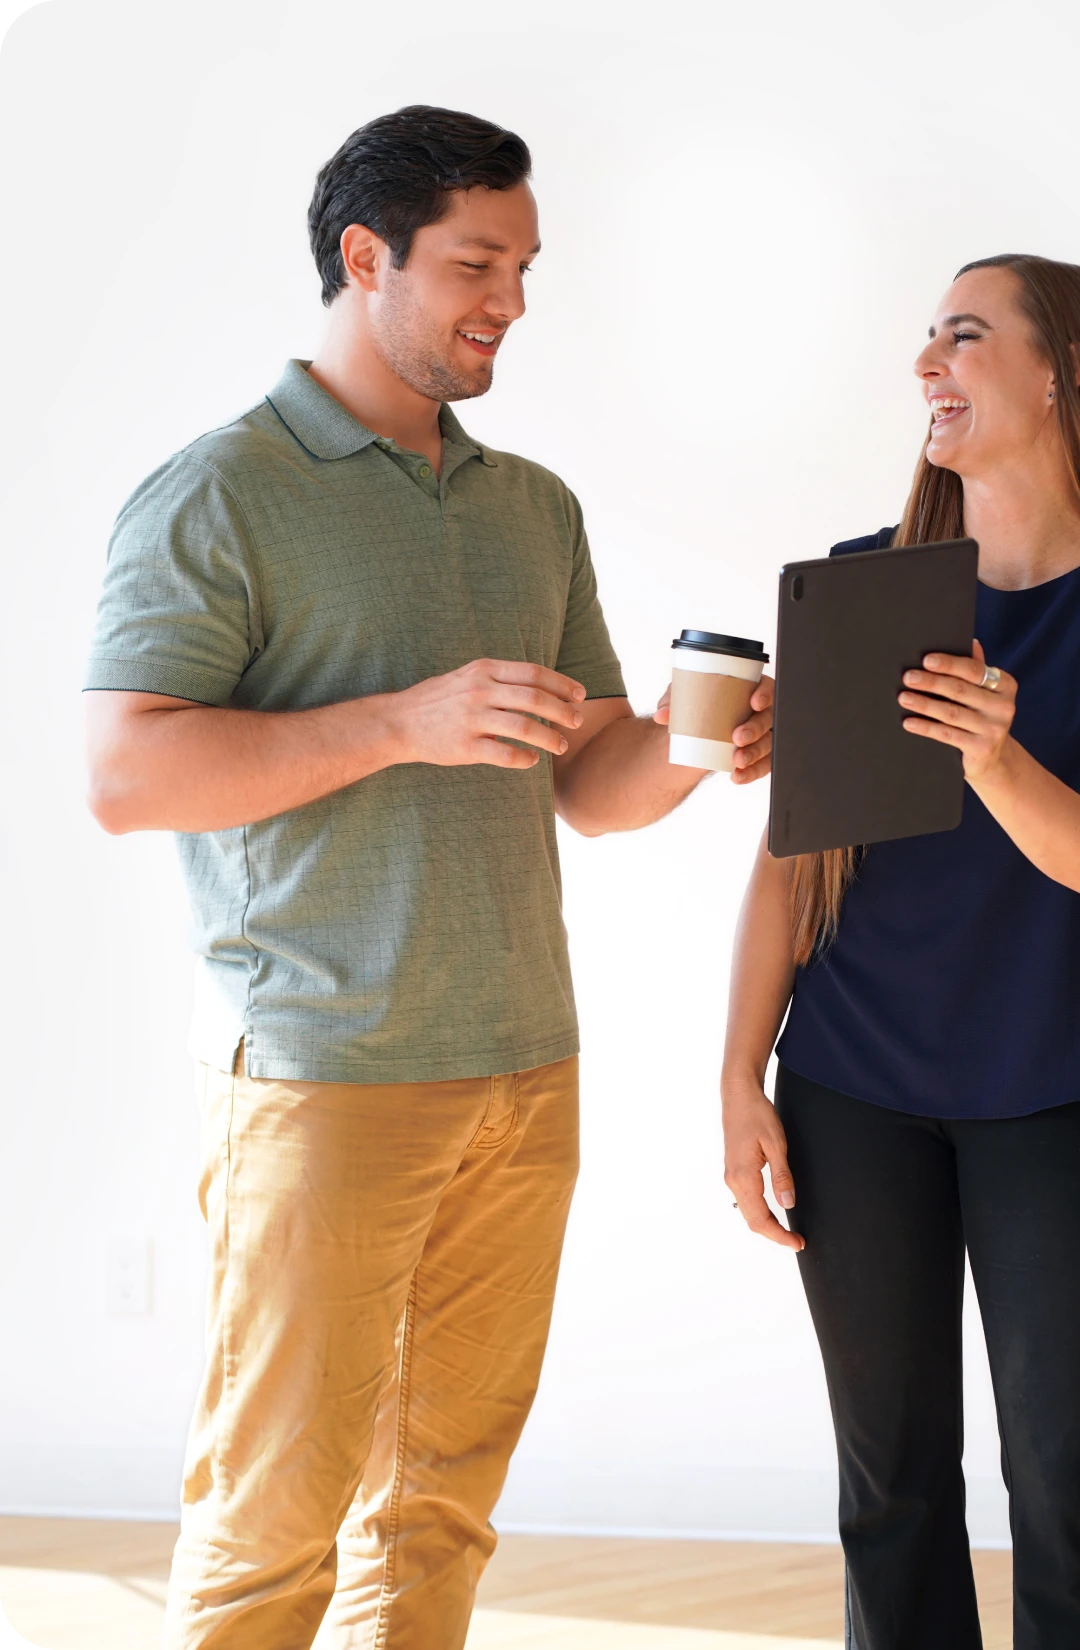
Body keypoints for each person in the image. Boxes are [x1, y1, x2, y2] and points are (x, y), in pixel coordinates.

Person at [83, 105, 772, 1650]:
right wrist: (402, 721)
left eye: (523, 268)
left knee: (439, 1508)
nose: (509, 301)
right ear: (364, 255)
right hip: (323, 1073)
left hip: (524, 1067)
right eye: (475, 263)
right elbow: (125, 774)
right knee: (274, 1518)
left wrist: (693, 747)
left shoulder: (532, 507)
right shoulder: (220, 491)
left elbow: (587, 782)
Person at [721, 254, 1080, 1650]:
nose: (926, 365)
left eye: (963, 335)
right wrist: (738, 1077)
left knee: (1068, 1486)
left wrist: (992, 752)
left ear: (1066, 369)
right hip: (849, 1086)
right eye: (926, 339)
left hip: (1053, 1092)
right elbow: (790, 869)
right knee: (888, 1488)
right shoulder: (861, 588)